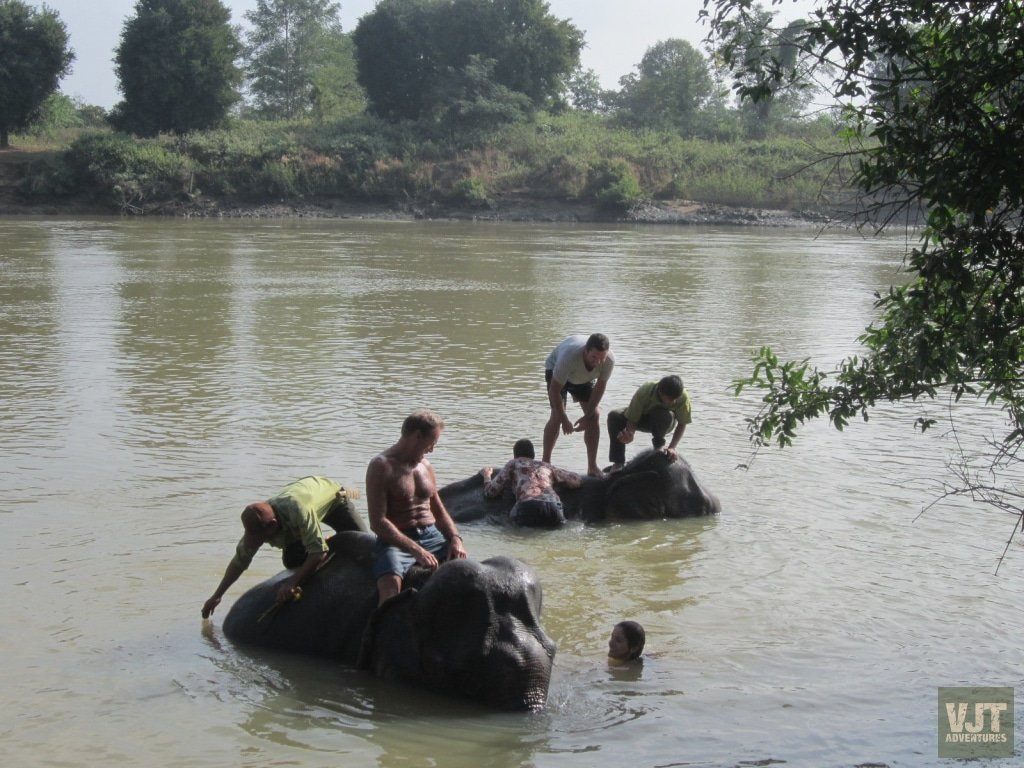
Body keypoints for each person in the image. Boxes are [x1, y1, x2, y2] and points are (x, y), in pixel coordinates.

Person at [201, 476, 360, 618]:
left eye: (262, 538)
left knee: (362, 543)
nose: (259, 542)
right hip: (297, 522)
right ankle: (318, 541)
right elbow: (239, 561)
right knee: (293, 560)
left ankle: (328, 542)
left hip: (334, 500)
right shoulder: (257, 523)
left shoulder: (298, 510)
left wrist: (293, 581)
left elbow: (318, 553)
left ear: (273, 525)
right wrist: (217, 595)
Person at [366, 409, 468, 606]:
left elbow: (438, 509)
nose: (432, 449)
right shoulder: (381, 466)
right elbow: (377, 522)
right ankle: (379, 633)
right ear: (417, 436)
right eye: (432, 443)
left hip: (433, 536)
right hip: (397, 542)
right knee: (390, 591)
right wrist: (416, 550)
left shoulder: (426, 467)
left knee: (467, 576)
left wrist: (456, 538)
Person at [543, 333, 615, 477]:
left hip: (583, 379)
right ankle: (545, 464)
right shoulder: (568, 357)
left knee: (595, 415)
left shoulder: (608, 361)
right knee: (556, 416)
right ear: (586, 351)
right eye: (594, 357)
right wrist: (564, 419)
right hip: (557, 372)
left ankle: (592, 466)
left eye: (602, 358)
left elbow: (600, 388)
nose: (597, 362)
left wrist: (587, 416)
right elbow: (554, 390)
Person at [480, 438, 583, 527]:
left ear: (515, 455)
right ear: (533, 454)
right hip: (554, 508)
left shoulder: (514, 463)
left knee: (507, 527)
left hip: (528, 506)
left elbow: (490, 492)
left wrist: (487, 476)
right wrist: (555, 481)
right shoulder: (546, 466)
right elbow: (576, 481)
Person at [606, 374, 691, 472]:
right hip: (643, 418)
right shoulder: (645, 391)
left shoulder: (683, 397)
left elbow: (682, 423)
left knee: (660, 413)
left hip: (665, 421)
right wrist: (630, 434)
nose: (673, 402)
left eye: (675, 398)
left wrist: (672, 447)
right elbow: (633, 418)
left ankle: (658, 447)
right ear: (660, 392)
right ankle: (618, 462)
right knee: (614, 415)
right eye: (670, 399)